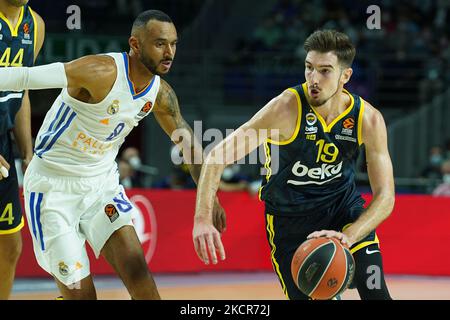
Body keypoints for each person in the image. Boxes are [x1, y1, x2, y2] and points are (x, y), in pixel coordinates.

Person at [0, 9, 225, 300]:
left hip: (101, 187)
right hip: (53, 189)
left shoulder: (160, 94)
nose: (169, 52)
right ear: (135, 44)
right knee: (83, 297)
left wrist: (210, 199)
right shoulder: (99, 71)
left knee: (142, 281)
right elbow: (23, 77)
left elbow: (190, 148)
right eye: (159, 44)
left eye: (174, 43)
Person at [193, 30, 395, 300]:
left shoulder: (367, 119)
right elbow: (216, 156)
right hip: (290, 223)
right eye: (309, 68)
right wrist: (203, 217)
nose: (313, 79)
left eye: (325, 71)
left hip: (343, 211)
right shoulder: (285, 109)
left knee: (376, 293)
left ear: (345, 76)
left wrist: (351, 233)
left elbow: (386, 196)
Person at [0, 0, 45, 299]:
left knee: (10, 244)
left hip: (4, 143)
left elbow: (23, 88)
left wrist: (28, 154)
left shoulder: (35, 25)